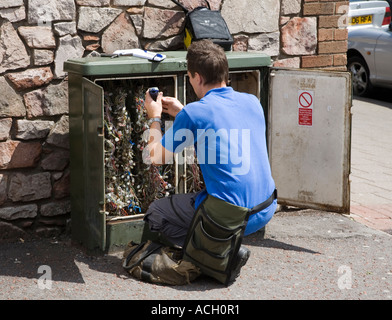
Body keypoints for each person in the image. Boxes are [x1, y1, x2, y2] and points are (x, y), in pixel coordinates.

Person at [143, 40, 277, 250]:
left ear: (198, 77)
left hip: (233, 217)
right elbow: (219, 125)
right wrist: (183, 112)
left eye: (189, 77)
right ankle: (223, 243)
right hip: (266, 208)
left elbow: (155, 157)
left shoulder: (194, 113)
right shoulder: (252, 101)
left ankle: (207, 255)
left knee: (157, 212)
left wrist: (155, 116)